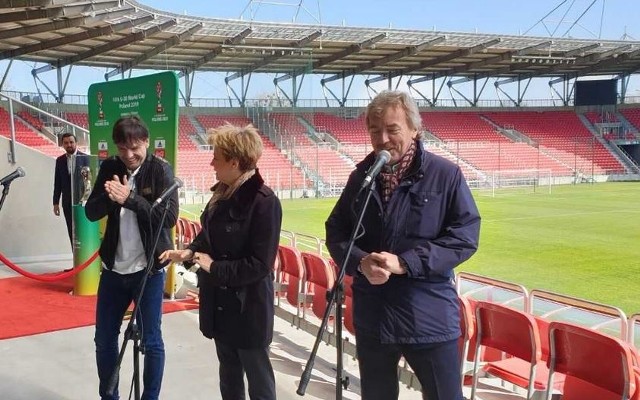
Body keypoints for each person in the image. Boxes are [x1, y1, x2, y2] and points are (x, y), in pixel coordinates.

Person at [325, 90, 481, 400]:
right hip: (374, 318)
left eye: (392, 129)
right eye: (374, 130)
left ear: (414, 128)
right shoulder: (361, 177)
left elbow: (464, 237)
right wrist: (359, 262)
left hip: (428, 319)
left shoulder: (445, 174)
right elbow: (337, 231)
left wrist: (406, 263)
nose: (382, 138)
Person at [160, 123, 282, 400]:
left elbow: (260, 265)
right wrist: (189, 252)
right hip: (221, 307)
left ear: (234, 162)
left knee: (260, 386)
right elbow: (209, 236)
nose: (212, 162)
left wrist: (214, 267)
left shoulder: (264, 202)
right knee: (229, 381)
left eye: (217, 157)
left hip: (248, 310)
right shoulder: (222, 194)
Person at [85, 116, 178, 400]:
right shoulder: (111, 167)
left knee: (152, 342)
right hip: (113, 270)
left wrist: (130, 199)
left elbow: (170, 217)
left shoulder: (161, 170)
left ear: (146, 143)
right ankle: (109, 396)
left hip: (148, 271)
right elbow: (91, 212)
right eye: (122, 148)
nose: (129, 155)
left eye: (135, 147)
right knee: (104, 340)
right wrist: (110, 198)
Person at [53, 132, 88, 246]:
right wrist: (55, 202)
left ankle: (85, 259)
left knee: (83, 231)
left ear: (76, 143)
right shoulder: (60, 161)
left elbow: (89, 183)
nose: (69, 145)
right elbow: (57, 182)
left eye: (71, 142)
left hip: (83, 202)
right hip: (67, 202)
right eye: (66, 143)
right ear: (62, 145)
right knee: (71, 231)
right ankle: (76, 260)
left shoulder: (85, 158)